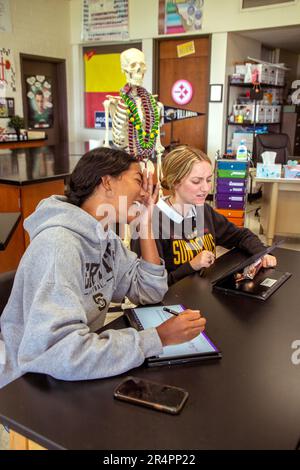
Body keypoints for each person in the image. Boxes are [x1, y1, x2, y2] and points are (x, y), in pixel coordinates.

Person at [0, 147, 206, 388]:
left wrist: (145, 225)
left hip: (74, 367)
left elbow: (149, 291)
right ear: (107, 182)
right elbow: (57, 352)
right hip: (28, 383)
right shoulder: (59, 247)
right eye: (139, 181)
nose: (144, 193)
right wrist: (157, 338)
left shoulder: (105, 237)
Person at [131, 145, 276, 286]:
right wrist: (191, 266)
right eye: (196, 181)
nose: (206, 188)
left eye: (208, 180)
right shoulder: (151, 224)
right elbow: (149, 289)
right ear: (174, 182)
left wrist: (262, 253)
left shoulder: (203, 211)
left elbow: (241, 236)